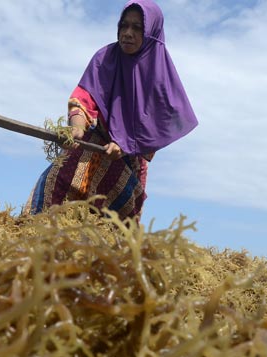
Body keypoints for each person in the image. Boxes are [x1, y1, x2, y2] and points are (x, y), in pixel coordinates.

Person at [24, 0, 198, 220]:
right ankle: (33, 226)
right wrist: (76, 128)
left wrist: (126, 145)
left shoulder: (159, 75)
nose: (127, 33)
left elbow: (161, 124)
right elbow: (83, 97)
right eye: (124, 25)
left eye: (137, 28)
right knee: (62, 173)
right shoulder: (104, 57)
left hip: (129, 160)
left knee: (119, 217)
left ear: (151, 32)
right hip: (95, 140)